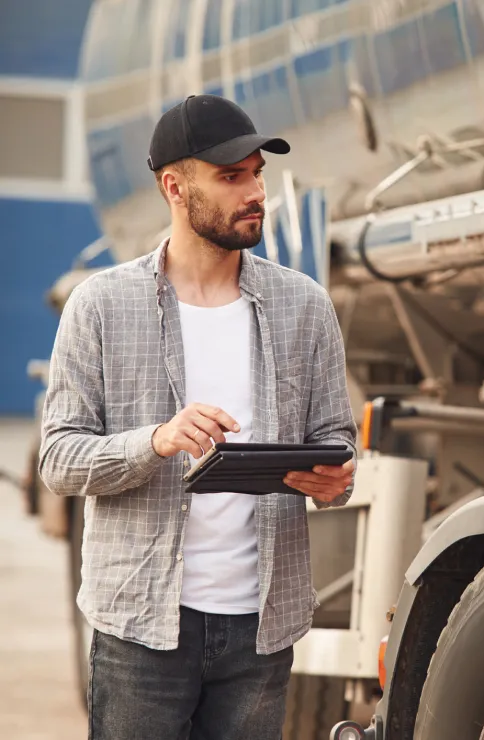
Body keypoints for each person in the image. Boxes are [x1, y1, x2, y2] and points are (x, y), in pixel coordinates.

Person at [39, 94, 357, 740]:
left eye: (258, 173)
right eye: (232, 177)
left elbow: (338, 447)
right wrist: (155, 442)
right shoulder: (99, 306)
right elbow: (58, 460)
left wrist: (334, 481)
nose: (255, 192)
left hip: (260, 633)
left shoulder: (306, 307)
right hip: (140, 629)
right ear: (174, 187)